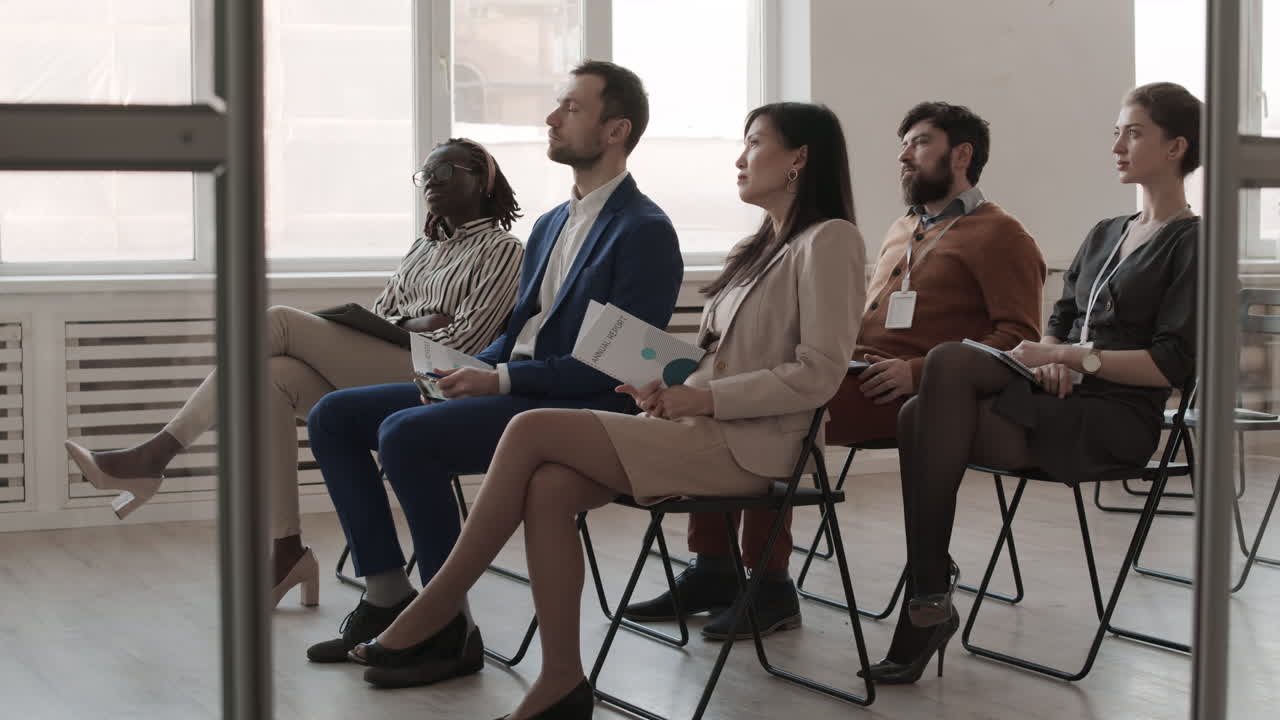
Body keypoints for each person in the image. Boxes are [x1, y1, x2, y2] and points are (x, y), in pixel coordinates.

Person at [343, 101, 864, 720]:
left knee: (531, 426)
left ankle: (437, 607)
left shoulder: (830, 241)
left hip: (755, 447)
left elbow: (820, 373)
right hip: (699, 428)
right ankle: (562, 682)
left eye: (754, 143)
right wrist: (665, 382)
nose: (739, 157)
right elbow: (723, 360)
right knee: (550, 487)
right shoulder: (757, 247)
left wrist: (703, 396)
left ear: (799, 157)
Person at [302, 61, 684, 669]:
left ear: (616, 131)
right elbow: (516, 335)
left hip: (574, 405)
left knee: (405, 435)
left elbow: (608, 372)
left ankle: (447, 626)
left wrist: (497, 379)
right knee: (333, 417)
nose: (552, 117)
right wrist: (460, 370)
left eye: (571, 108)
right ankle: (386, 595)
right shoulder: (552, 223)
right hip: (512, 385)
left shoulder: (645, 231)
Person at [626, 101, 1046, 640]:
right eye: (904, 143)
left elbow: (1019, 339)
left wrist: (917, 373)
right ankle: (714, 569)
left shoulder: (1002, 234)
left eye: (918, 142)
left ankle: (771, 583)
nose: (903, 155)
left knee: (771, 408)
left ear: (961, 154)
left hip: (918, 394)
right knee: (735, 390)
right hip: (854, 374)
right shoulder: (903, 228)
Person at [63, 138, 525, 608]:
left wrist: (408, 326)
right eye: (424, 173)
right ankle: (286, 550)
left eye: (444, 171)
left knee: (277, 320)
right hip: (395, 363)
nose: (430, 180)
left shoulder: (503, 249)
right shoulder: (423, 248)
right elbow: (384, 315)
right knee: (270, 378)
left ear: (481, 179)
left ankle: (154, 457)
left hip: (442, 384)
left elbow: (462, 344)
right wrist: (418, 322)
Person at [869, 82, 1201, 684]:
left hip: (1116, 419)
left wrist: (1075, 358)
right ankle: (927, 596)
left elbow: (1169, 366)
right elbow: (1060, 324)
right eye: (1116, 131)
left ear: (1176, 146)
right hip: (1053, 395)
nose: (1117, 144)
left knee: (925, 406)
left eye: (1134, 132)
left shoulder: (1193, 243)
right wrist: (1055, 357)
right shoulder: (1106, 232)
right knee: (936, 382)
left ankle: (925, 601)